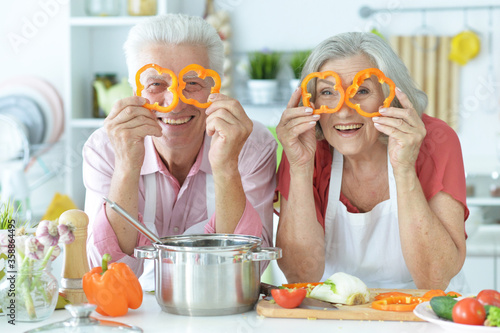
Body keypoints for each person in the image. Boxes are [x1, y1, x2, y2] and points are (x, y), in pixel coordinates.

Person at [83, 14, 277, 290]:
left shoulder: (251, 145)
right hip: (138, 309)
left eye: (193, 84)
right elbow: (108, 274)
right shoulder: (105, 148)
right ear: (135, 88)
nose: (174, 104)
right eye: (156, 84)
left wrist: (226, 167)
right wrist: (127, 165)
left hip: (220, 308)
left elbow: (245, 271)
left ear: (215, 87)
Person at [275, 32, 469, 291]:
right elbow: (300, 277)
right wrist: (299, 168)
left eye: (363, 90)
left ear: (391, 96)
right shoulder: (305, 145)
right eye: (328, 92)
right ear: (311, 102)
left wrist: (405, 168)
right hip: (336, 312)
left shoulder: (435, 141)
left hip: (426, 312)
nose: (343, 110)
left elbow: (434, 279)